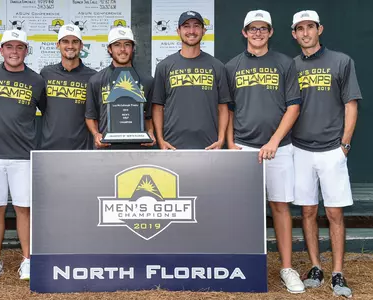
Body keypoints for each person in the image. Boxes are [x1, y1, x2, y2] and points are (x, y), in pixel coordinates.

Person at [225, 10, 304, 294]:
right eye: (252, 28)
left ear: (270, 32)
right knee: (244, 209)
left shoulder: (285, 63)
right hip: (243, 146)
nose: (257, 33)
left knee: (281, 207)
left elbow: (293, 106)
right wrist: (231, 141)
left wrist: (273, 141)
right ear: (244, 32)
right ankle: (243, 265)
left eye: (263, 28)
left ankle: (286, 267)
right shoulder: (231, 65)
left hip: (280, 148)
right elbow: (228, 109)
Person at [291, 10, 361, 298]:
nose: (306, 32)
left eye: (310, 27)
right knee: (308, 211)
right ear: (293, 34)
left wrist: (344, 144)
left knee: (334, 213)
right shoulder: (290, 65)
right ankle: (317, 266)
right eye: (300, 29)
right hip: (300, 149)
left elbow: (351, 104)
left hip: (332, 148)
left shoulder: (342, 61)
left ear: (319, 29)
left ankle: (337, 273)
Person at [0, 29, 46, 281]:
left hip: (23, 155)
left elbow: (46, 111)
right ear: (1, 50)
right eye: (9, 47)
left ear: (26, 51)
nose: (14, 52)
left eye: (19, 47)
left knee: (23, 209)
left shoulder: (36, 80)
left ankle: (27, 259)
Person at [152, 10, 230, 150]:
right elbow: (158, 107)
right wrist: (161, 140)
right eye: (186, 26)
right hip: (173, 146)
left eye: (196, 26)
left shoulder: (217, 66)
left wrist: (221, 139)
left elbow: (223, 107)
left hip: (209, 146)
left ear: (204, 30)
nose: (192, 31)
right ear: (178, 31)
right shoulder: (164, 66)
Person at [85, 27, 155, 149]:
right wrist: (96, 134)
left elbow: (149, 115)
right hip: (107, 147)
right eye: (117, 45)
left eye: (127, 44)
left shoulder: (147, 80)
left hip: (138, 148)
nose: (122, 49)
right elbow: (91, 116)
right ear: (109, 49)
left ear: (133, 48)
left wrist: (150, 133)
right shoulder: (96, 80)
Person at [40, 24, 97, 150]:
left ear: (81, 46)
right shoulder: (46, 73)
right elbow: (43, 107)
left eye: (75, 42)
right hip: (49, 147)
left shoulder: (93, 77)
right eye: (65, 41)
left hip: (82, 149)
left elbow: (95, 114)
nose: (70, 46)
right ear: (58, 45)